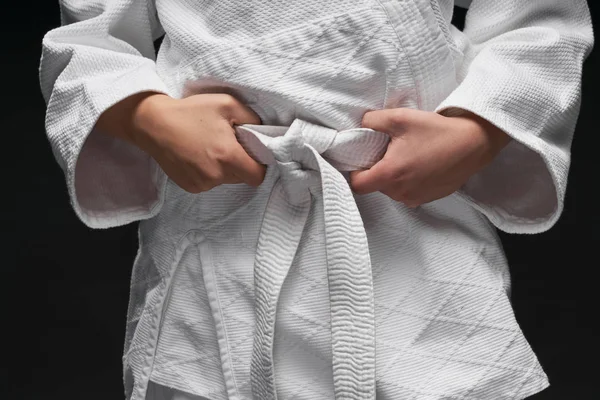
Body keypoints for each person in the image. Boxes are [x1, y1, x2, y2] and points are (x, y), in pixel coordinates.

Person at [39, 0, 593, 399]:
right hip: (226, 224)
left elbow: (544, 19)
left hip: (409, 215)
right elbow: (89, 38)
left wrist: (477, 130)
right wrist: (149, 117)